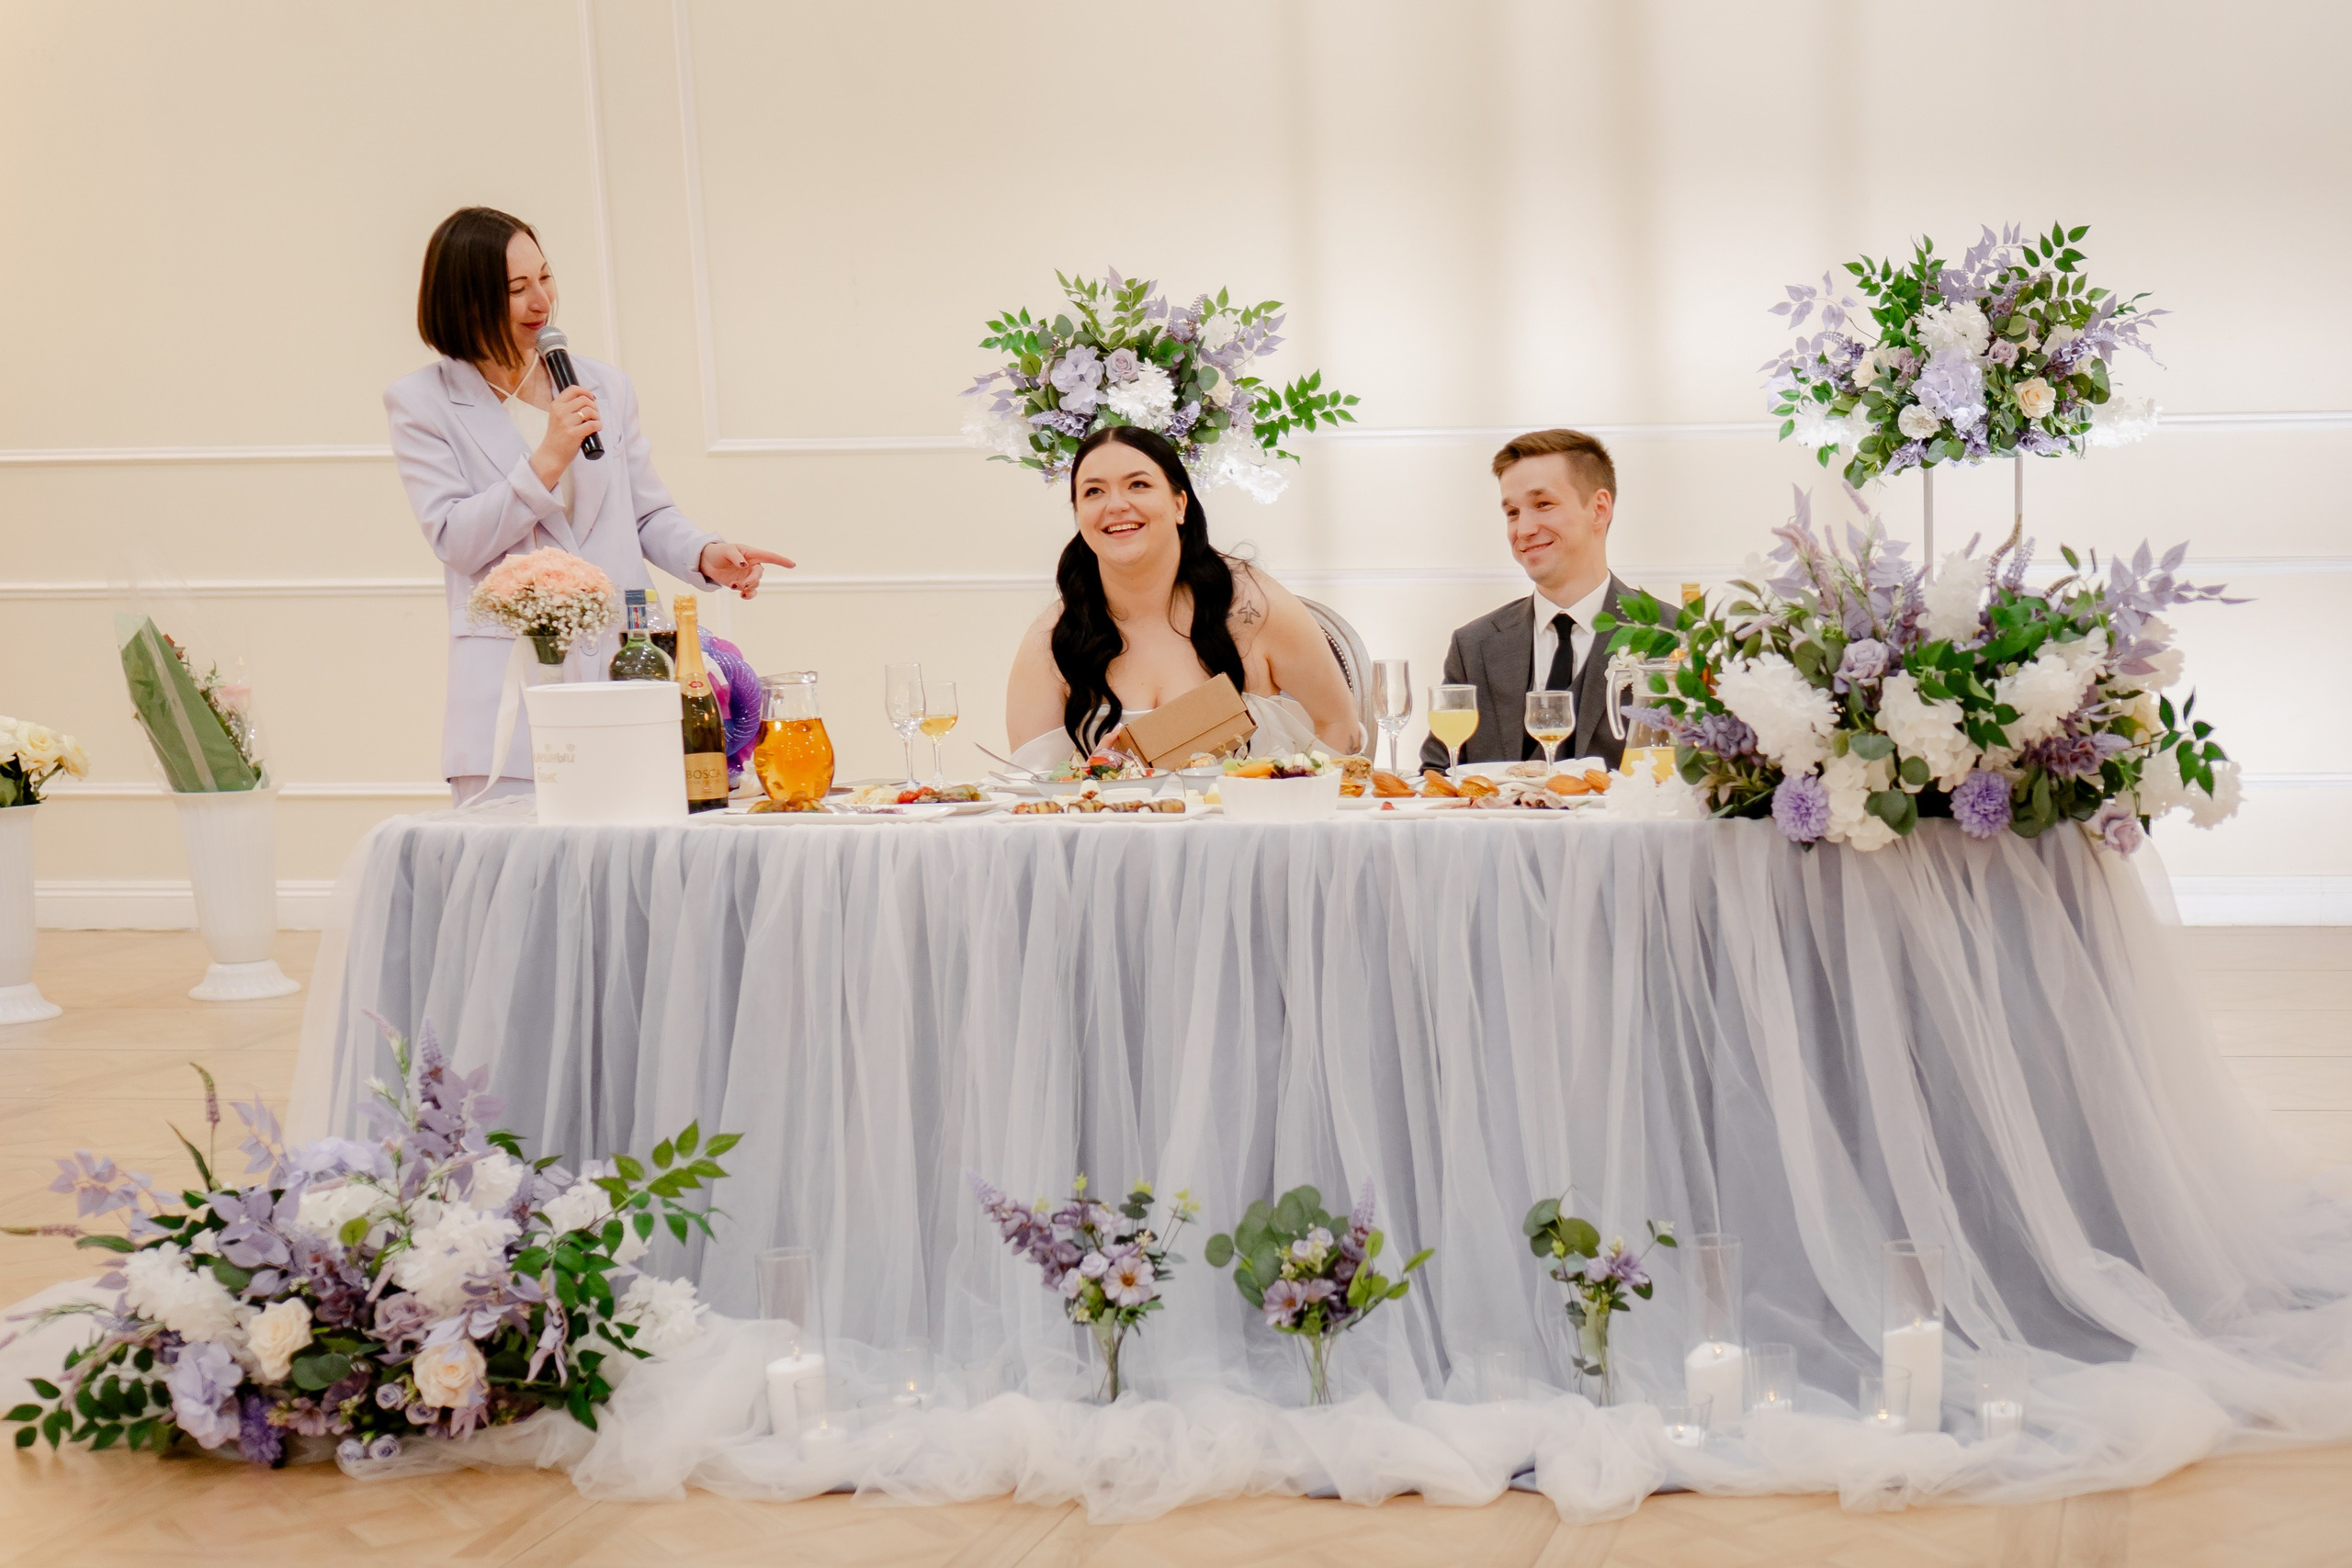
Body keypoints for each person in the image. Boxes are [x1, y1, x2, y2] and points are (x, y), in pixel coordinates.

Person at [384, 206, 794, 804]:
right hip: (512, 699)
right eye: (516, 289)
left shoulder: (603, 386)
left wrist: (706, 554)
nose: (541, 301)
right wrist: (547, 458)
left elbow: (646, 513)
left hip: (628, 680)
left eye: (545, 277)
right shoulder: (423, 403)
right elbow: (455, 539)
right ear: (465, 300)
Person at [1005, 425, 1361, 770]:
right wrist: (1096, 775)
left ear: (1180, 504)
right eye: (1094, 491)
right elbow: (1031, 786)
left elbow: (1340, 726)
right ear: (1079, 514)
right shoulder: (1053, 638)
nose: (1115, 504)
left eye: (1138, 484)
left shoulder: (1253, 607)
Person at [1421, 429, 1633, 773]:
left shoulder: (1673, 639)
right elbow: (1439, 774)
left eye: (1542, 505)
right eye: (1512, 512)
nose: (1523, 530)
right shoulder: (1473, 647)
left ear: (1598, 509)